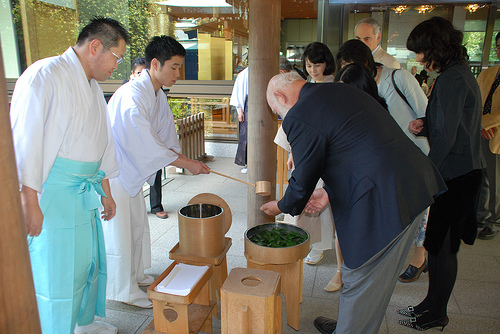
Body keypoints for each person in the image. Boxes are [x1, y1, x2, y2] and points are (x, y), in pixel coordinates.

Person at [262, 71, 446, 334]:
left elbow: (302, 180)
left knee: (360, 275)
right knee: (372, 282)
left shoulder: (300, 112)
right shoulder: (338, 90)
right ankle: (352, 325)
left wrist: (280, 206)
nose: (282, 118)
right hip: (412, 185)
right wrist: (326, 192)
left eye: (277, 112)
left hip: (384, 201)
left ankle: (351, 329)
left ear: (280, 96)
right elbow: (356, 145)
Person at [10, 17, 129, 334]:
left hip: (83, 192)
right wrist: (29, 201)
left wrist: (105, 189)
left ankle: (79, 323)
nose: (116, 66)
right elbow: (26, 143)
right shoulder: (43, 75)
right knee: (56, 269)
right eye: (116, 57)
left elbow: (102, 145)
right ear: (95, 47)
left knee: (85, 265)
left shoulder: (92, 87)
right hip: (53, 193)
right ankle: (53, 326)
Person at [104, 35, 210, 309]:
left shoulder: (155, 93)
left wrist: (182, 159)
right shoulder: (131, 96)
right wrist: (187, 163)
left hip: (131, 172)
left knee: (137, 226)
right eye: (173, 67)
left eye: (179, 68)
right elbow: (145, 141)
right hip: (116, 174)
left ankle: (136, 275)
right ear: (155, 64)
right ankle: (121, 289)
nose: (178, 74)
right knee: (121, 232)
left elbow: (164, 135)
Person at [399, 17, 483, 331]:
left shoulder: (453, 78)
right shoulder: (457, 73)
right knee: (436, 245)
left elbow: (448, 138)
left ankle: (437, 313)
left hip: (455, 174)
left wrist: (427, 173)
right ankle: (430, 305)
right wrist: (425, 123)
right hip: (459, 171)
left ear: (436, 47)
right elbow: (452, 125)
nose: (420, 58)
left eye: (421, 51)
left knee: (443, 248)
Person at [336, 39, 431, 284]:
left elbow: (426, 112)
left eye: (350, 64)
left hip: (414, 154)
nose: (346, 70)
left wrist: (420, 125)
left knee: (419, 213)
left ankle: (419, 257)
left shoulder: (398, 78)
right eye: (343, 66)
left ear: (366, 62)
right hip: (386, 163)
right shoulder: (355, 88)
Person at [275, 42, 336, 267]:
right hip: (306, 149)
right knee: (306, 194)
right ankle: (303, 237)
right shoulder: (307, 86)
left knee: (319, 198)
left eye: (317, 65)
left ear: (327, 64)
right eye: (309, 65)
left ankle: (319, 245)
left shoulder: (333, 86)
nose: (313, 70)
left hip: (323, 151)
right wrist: (293, 151)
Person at [476, 31, 500, 240]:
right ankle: (480, 216)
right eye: (498, 46)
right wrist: (479, 126)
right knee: (481, 177)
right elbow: (475, 100)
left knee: (496, 181)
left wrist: (484, 124)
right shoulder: (488, 73)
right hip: (481, 134)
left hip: (497, 136)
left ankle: (494, 221)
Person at [230, 65, 249, 173]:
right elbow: (239, 93)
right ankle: (246, 163)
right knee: (245, 136)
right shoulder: (243, 74)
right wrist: (240, 111)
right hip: (247, 106)